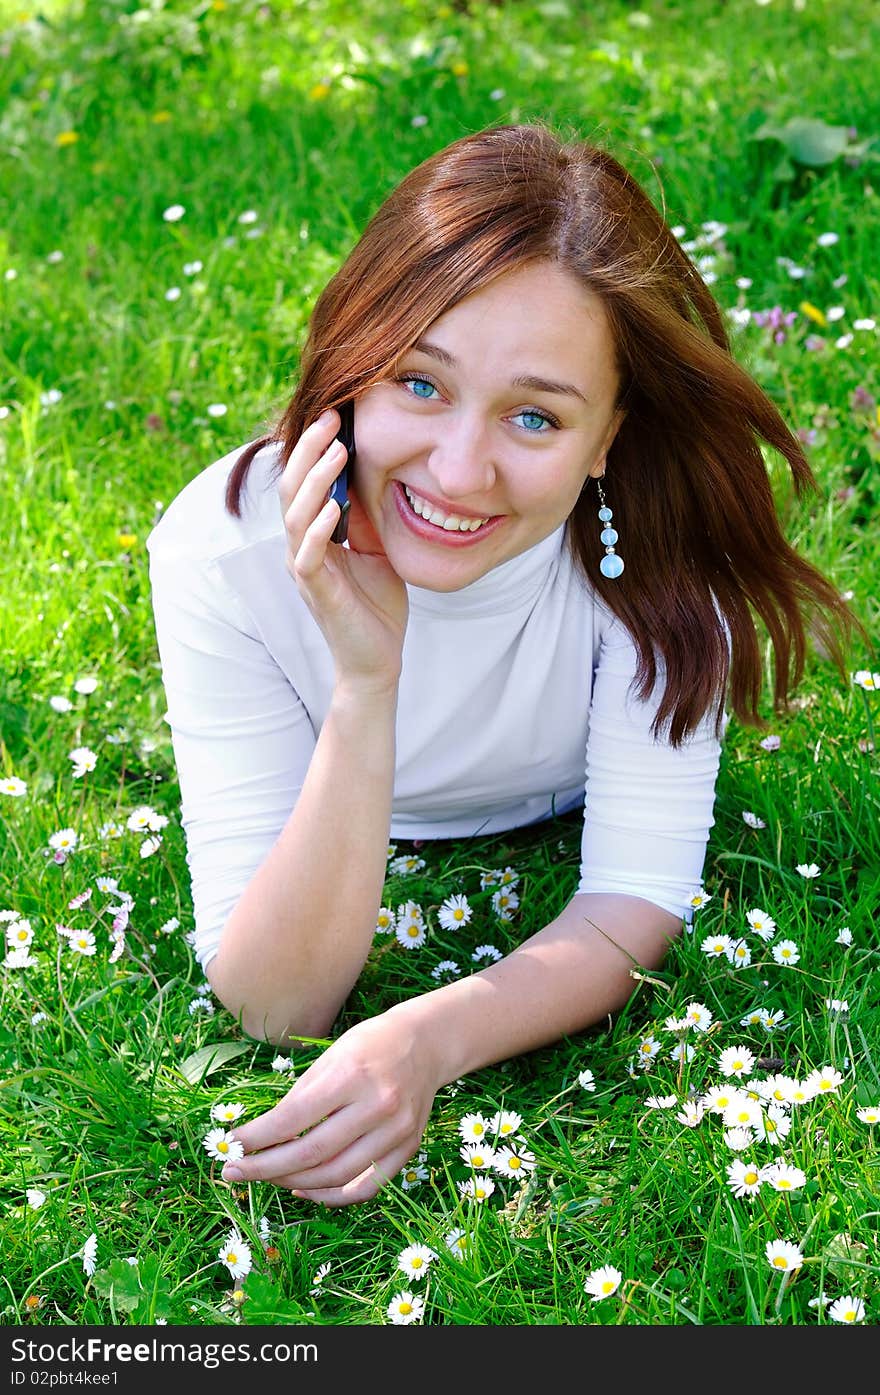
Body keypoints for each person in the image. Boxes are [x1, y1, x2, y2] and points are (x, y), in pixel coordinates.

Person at [146, 121, 852, 1207]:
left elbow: (630, 899)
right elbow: (271, 1005)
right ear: (353, 361)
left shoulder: (661, 564)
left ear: (608, 437)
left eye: (534, 415)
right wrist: (364, 687)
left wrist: (429, 1038)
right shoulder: (222, 552)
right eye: (419, 386)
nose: (459, 468)